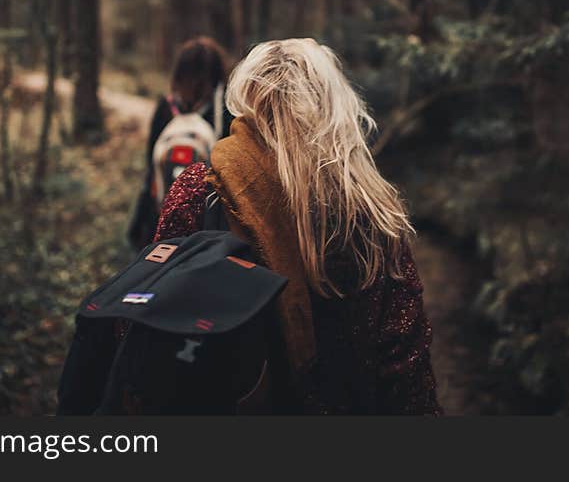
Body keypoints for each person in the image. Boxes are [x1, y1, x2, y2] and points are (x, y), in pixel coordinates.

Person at [152, 38, 442, 414]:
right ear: (333, 106)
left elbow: (153, 323)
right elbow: (407, 368)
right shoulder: (371, 213)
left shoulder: (199, 191)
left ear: (246, 101)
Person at [126, 36, 233, 250]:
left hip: (160, 217)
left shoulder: (165, 107)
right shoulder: (224, 110)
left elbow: (151, 163)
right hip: (207, 224)